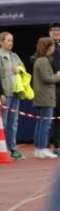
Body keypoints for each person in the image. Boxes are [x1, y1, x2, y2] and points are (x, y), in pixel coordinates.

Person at [0, 32, 25, 159]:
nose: (11, 43)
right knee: (3, 122)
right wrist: (0, 93)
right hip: (5, 94)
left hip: (16, 93)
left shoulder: (15, 55)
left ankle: (12, 149)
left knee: (13, 122)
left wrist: (19, 69)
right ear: (1, 42)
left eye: (12, 40)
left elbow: (23, 68)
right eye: (8, 40)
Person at [30, 37, 60, 159]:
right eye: (52, 46)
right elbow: (47, 78)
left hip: (42, 96)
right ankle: (42, 148)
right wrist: (58, 76)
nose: (53, 48)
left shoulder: (40, 60)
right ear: (48, 47)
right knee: (45, 124)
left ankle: (39, 148)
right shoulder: (43, 60)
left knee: (41, 123)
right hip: (45, 96)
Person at [48, 22, 60, 155]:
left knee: (59, 118)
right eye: (54, 30)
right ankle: (43, 146)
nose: (56, 32)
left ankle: (58, 145)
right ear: (49, 32)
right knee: (47, 118)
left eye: (58, 30)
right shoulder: (46, 47)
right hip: (50, 87)